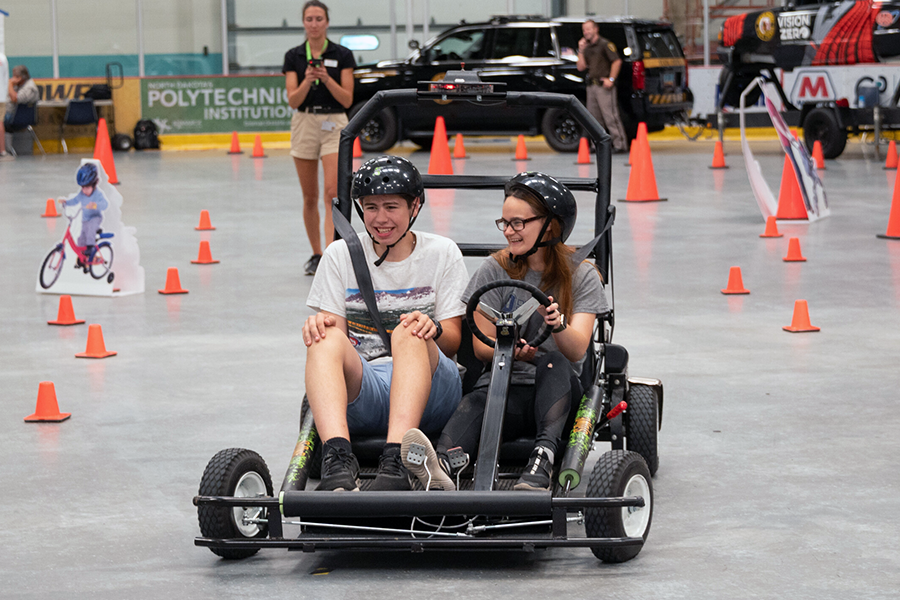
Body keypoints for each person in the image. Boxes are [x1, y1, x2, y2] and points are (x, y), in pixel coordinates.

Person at [401, 172, 607, 492]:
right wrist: (508, 348)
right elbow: (482, 348)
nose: (509, 231)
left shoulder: (582, 274)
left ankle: (542, 461)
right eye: (505, 223)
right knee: (478, 400)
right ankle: (441, 465)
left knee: (554, 363)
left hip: (559, 393)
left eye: (518, 223)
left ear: (550, 225)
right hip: (505, 386)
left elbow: (578, 349)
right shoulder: (495, 269)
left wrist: (557, 325)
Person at [304, 155, 470, 491]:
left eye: (391, 207)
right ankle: (337, 459)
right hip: (368, 388)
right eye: (371, 207)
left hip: (434, 387)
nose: (381, 219)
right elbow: (337, 340)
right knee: (324, 338)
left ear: (415, 206)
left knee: (409, 330)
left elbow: (453, 340)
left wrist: (430, 327)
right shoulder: (339, 255)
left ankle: (396, 459)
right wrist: (319, 326)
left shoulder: (442, 252)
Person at [283, 0, 356, 276]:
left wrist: (326, 78)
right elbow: (293, 99)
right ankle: (315, 253)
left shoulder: (343, 54)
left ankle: (331, 254)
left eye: (318, 19)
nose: (314, 24)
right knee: (309, 196)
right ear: (303, 22)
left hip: (334, 123)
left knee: (332, 193)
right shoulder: (293, 56)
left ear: (327, 22)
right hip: (304, 122)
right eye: (309, 19)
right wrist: (306, 79)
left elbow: (347, 98)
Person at [576, 20, 628, 154]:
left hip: (604, 86)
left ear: (596, 29)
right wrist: (580, 51)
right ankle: (597, 145)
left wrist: (611, 79)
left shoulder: (605, 44)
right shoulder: (586, 48)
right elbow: (581, 67)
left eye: (588, 29)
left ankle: (620, 144)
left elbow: (617, 61)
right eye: (584, 30)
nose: (586, 32)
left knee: (610, 116)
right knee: (594, 119)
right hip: (591, 86)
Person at [61, 163, 109, 267]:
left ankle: (91, 247)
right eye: (82, 187)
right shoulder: (82, 194)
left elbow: (105, 204)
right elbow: (75, 200)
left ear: (94, 184)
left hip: (95, 218)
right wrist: (66, 202)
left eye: (87, 187)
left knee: (90, 230)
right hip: (85, 219)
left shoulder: (98, 194)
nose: (84, 190)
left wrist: (95, 205)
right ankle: (84, 259)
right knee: (81, 238)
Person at [2, 65, 40, 160]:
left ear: (20, 77)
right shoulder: (19, 86)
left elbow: (16, 98)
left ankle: (2, 151)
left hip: (17, 118)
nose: (12, 78)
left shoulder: (29, 87)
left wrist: (10, 84)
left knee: (0, 122)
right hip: (12, 115)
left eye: (15, 76)